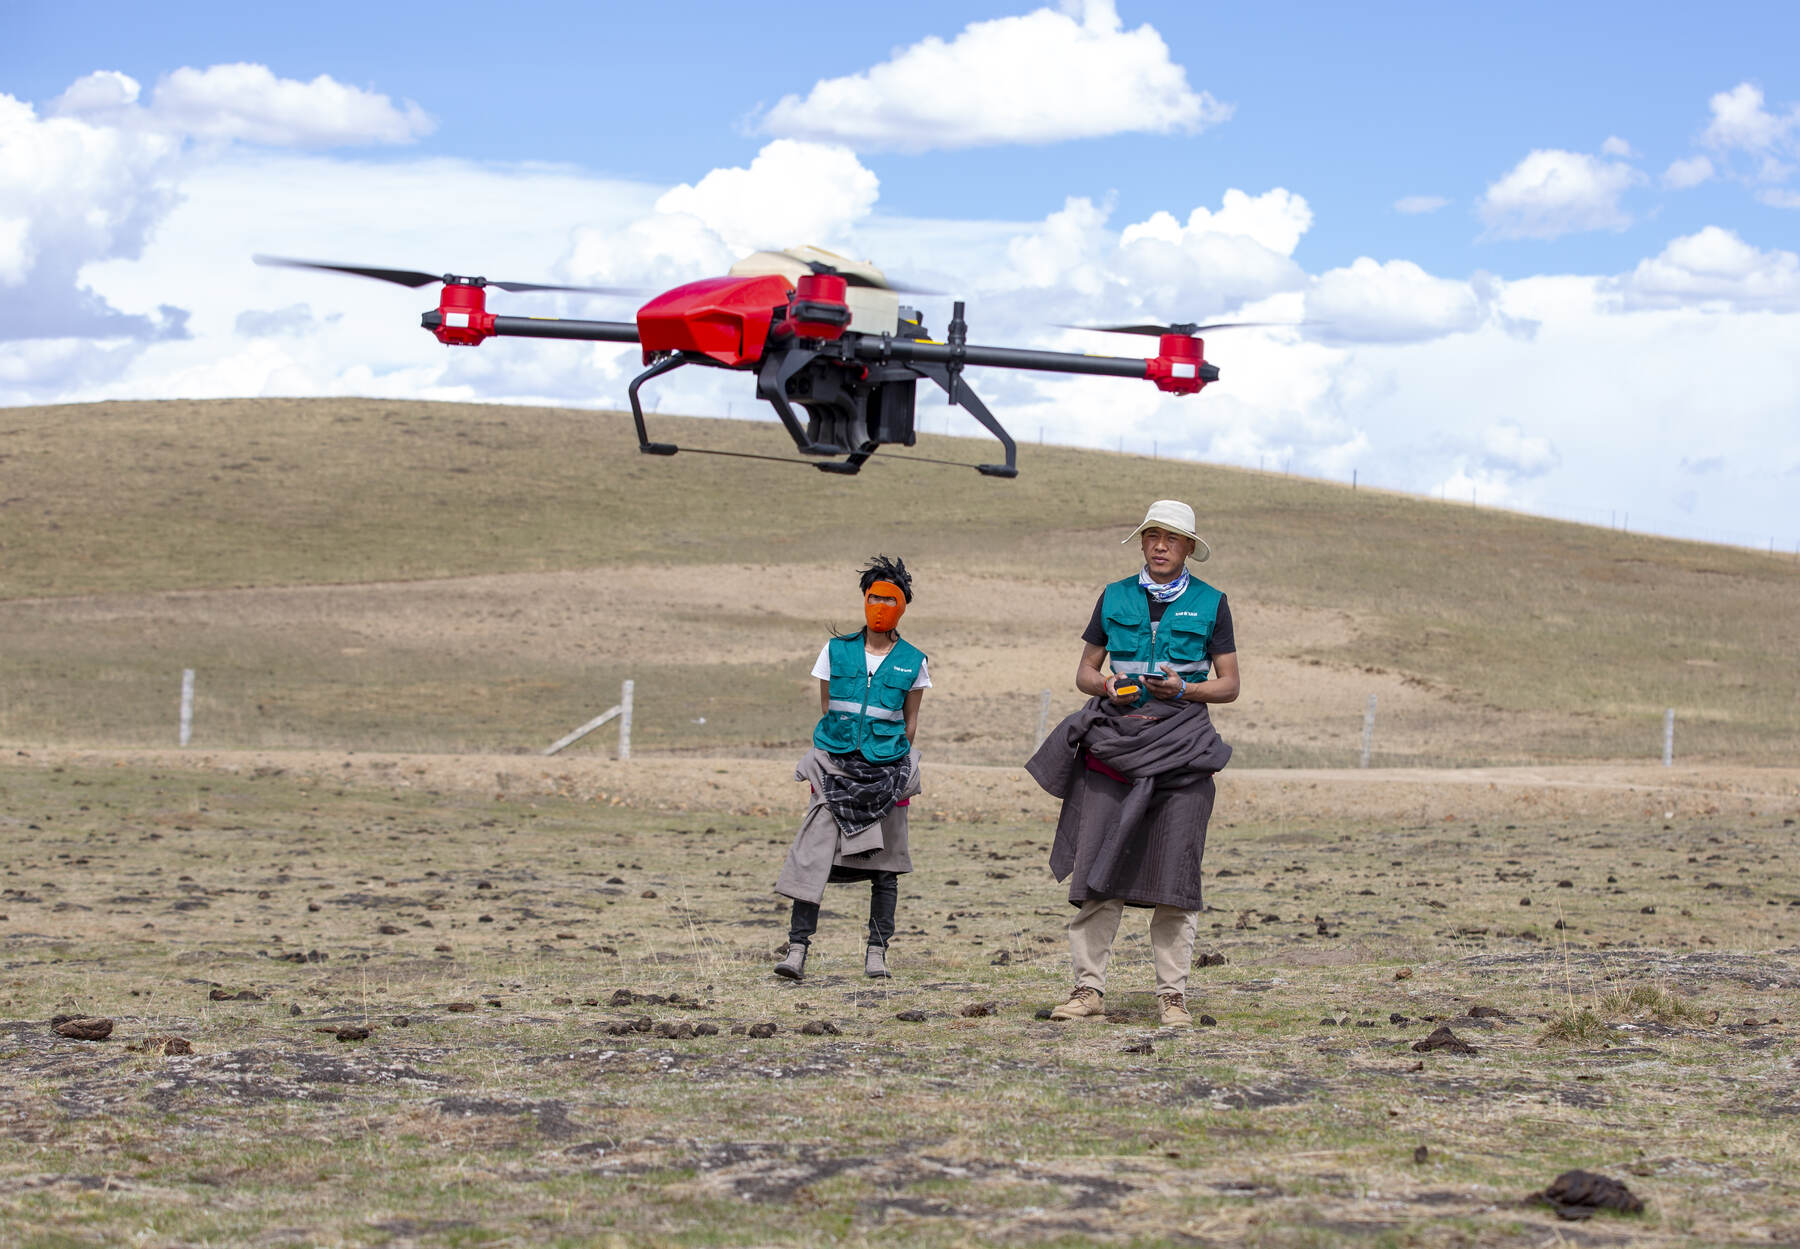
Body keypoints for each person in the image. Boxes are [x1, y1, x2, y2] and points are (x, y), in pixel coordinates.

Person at [1025, 500, 1238, 1027]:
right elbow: (1084, 672)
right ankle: (1087, 989)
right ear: (1142, 542)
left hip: (1183, 753)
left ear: (1189, 547)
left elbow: (1229, 685)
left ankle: (1172, 996)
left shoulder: (1213, 604)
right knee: (1099, 870)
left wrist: (1185, 688)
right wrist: (1107, 687)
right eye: (1152, 536)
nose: (1160, 545)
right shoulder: (1114, 595)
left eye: (1172, 538)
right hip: (1113, 748)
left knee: (1176, 874)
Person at [773, 556, 929, 981]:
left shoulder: (914, 660)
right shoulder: (835, 651)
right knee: (812, 856)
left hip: (887, 773)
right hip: (835, 768)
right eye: (874, 596)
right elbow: (828, 707)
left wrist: (887, 764)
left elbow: (910, 723)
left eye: (889, 598)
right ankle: (797, 950)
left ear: (902, 606)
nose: (880, 604)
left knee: (887, 867)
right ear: (864, 600)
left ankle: (877, 952)